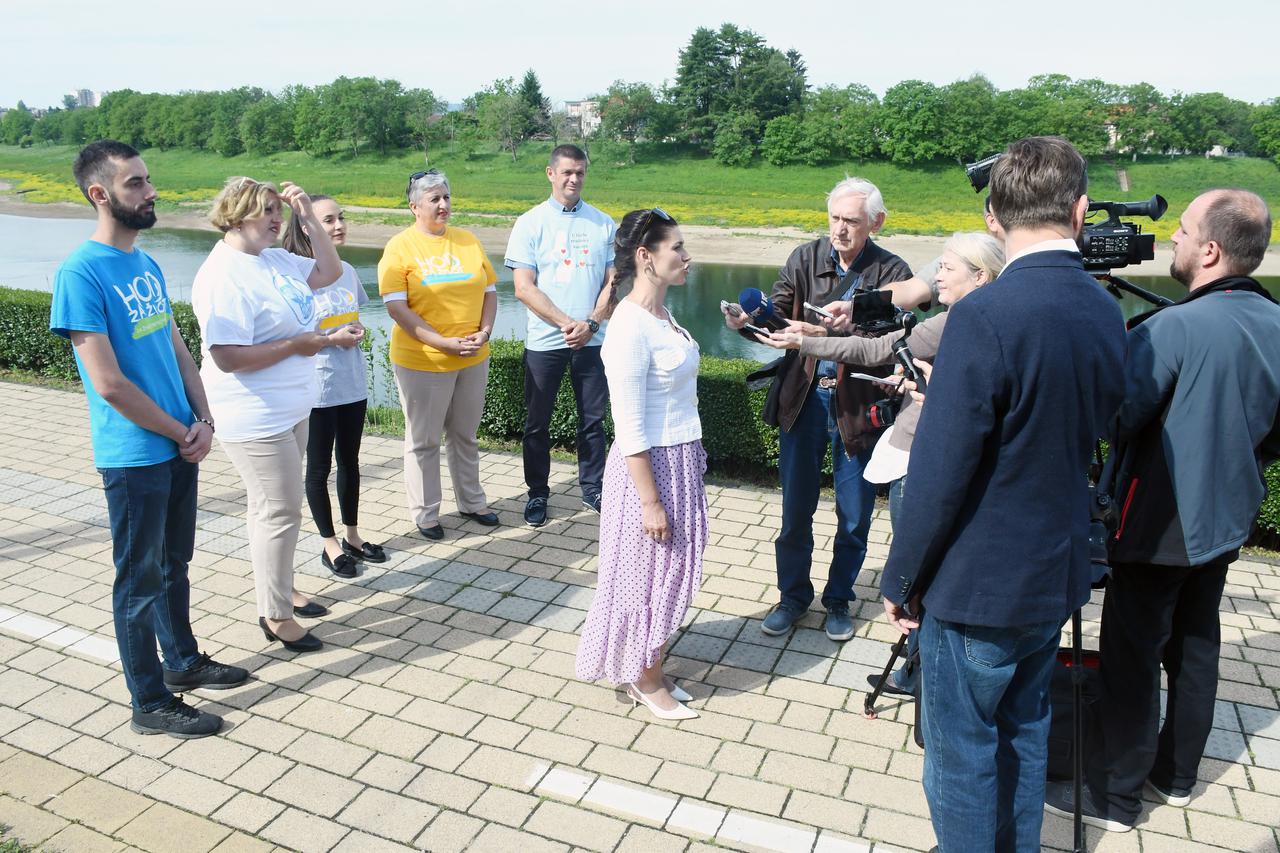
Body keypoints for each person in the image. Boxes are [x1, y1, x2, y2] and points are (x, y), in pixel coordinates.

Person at [879, 136, 1127, 852]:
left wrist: (901, 578)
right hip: (1054, 573)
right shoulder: (1104, 310)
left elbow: (941, 469)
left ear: (993, 216)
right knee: (1025, 733)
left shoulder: (985, 316)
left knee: (962, 756)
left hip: (978, 585)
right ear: (1080, 212)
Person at [1046, 189, 1280, 831]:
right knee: (1197, 644)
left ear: (1210, 250)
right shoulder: (1275, 322)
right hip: (1228, 517)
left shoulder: (1173, 326)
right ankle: (1176, 776)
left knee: (1130, 655)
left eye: (1180, 232)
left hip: (1160, 520)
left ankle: (1114, 798)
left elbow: (1117, 418)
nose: (1171, 241)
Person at [50, 140, 248, 738]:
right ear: (100, 194)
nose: (150, 191)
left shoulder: (146, 263)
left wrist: (204, 418)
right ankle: (149, 701)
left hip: (179, 441)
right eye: (135, 183)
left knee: (173, 563)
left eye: (148, 180)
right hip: (135, 453)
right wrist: (180, 430)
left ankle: (182, 660)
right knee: (136, 583)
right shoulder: (79, 273)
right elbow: (108, 383)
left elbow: (175, 347)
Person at [761, 231, 1005, 697]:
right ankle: (912, 662)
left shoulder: (959, 319)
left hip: (917, 457)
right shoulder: (964, 318)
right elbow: (891, 347)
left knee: (892, 548)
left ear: (980, 276)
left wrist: (811, 340)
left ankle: (908, 655)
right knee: (801, 515)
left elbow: (877, 348)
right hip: (926, 453)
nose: (936, 276)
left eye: (947, 268)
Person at [724, 176, 911, 642]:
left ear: (876, 222)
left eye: (851, 221)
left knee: (854, 515)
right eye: (834, 218)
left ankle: (839, 600)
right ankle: (792, 597)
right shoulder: (804, 257)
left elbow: (890, 343)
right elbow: (779, 324)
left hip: (857, 408)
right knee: (795, 510)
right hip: (804, 400)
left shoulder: (893, 272)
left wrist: (822, 335)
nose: (840, 229)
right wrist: (749, 323)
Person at [193, 176, 362, 653]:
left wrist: (308, 214)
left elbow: (329, 271)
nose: (276, 218)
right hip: (253, 415)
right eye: (266, 210)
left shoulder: (272, 258)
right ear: (237, 212)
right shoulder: (222, 274)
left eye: (278, 210)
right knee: (279, 511)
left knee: (269, 510)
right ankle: (276, 614)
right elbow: (226, 355)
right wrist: (298, 345)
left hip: (291, 407)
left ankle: (282, 588)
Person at [576, 208, 706, 721]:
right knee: (646, 577)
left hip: (678, 460)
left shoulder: (662, 315)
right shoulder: (629, 326)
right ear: (645, 257)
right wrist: (650, 501)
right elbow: (629, 426)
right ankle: (645, 680)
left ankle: (648, 665)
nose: (686, 255)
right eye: (677, 247)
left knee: (665, 573)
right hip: (648, 471)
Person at [378, 169, 498, 541]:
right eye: (435, 199)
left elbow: (490, 292)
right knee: (424, 439)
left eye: (446, 197)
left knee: (464, 434)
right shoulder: (400, 247)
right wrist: (442, 343)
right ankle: (426, 512)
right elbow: (397, 308)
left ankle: (472, 501)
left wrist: (486, 330)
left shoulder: (467, 241)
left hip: (473, 357)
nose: (443, 205)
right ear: (415, 206)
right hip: (423, 361)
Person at [506, 144, 617, 528]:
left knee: (593, 420)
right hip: (546, 342)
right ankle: (537, 493)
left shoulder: (603, 223)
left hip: (593, 340)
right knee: (537, 423)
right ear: (550, 174)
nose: (574, 179)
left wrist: (592, 324)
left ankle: (594, 488)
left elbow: (613, 283)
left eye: (581, 172)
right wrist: (566, 323)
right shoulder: (530, 223)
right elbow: (523, 287)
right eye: (567, 172)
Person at [281, 195, 386, 579]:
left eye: (342, 217)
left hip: (351, 383)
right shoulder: (295, 278)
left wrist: (354, 333)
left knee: (350, 462)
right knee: (319, 467)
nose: (339, 225)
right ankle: (329, 544)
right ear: (306, 225)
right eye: (329, 220)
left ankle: (353, 536)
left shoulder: (347, 272)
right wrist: (332, 338)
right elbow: (292, 335)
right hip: (317, 387)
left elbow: (352, 317)